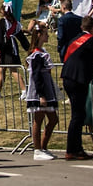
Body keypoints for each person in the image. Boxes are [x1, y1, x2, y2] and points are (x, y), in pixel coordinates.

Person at [60, 18, 93, 160]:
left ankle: (76, 148)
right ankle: (73, 149)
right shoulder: (91, 40)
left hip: (68, 77)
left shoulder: (75, 39)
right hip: (78, 80)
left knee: (78, 115)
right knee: (78, 116)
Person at [25, 22, 59, 160]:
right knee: (38, 119)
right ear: (39, 35)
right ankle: (37, 149)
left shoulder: (42, 53)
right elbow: (36, 75)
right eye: (45, 34)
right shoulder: (36, 55)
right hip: (40, 91)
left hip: (46, 88)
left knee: (53, 119)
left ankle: (43, 147)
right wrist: (41, 95)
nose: (47, 36)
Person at [0, 6, 30, 100]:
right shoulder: (15, 22)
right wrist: (27, 47)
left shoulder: (3, 21)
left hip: (7, 49)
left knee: (13, 70)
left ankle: (24, 90)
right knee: (2, 70)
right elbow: (21, 37)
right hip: (10, 47)